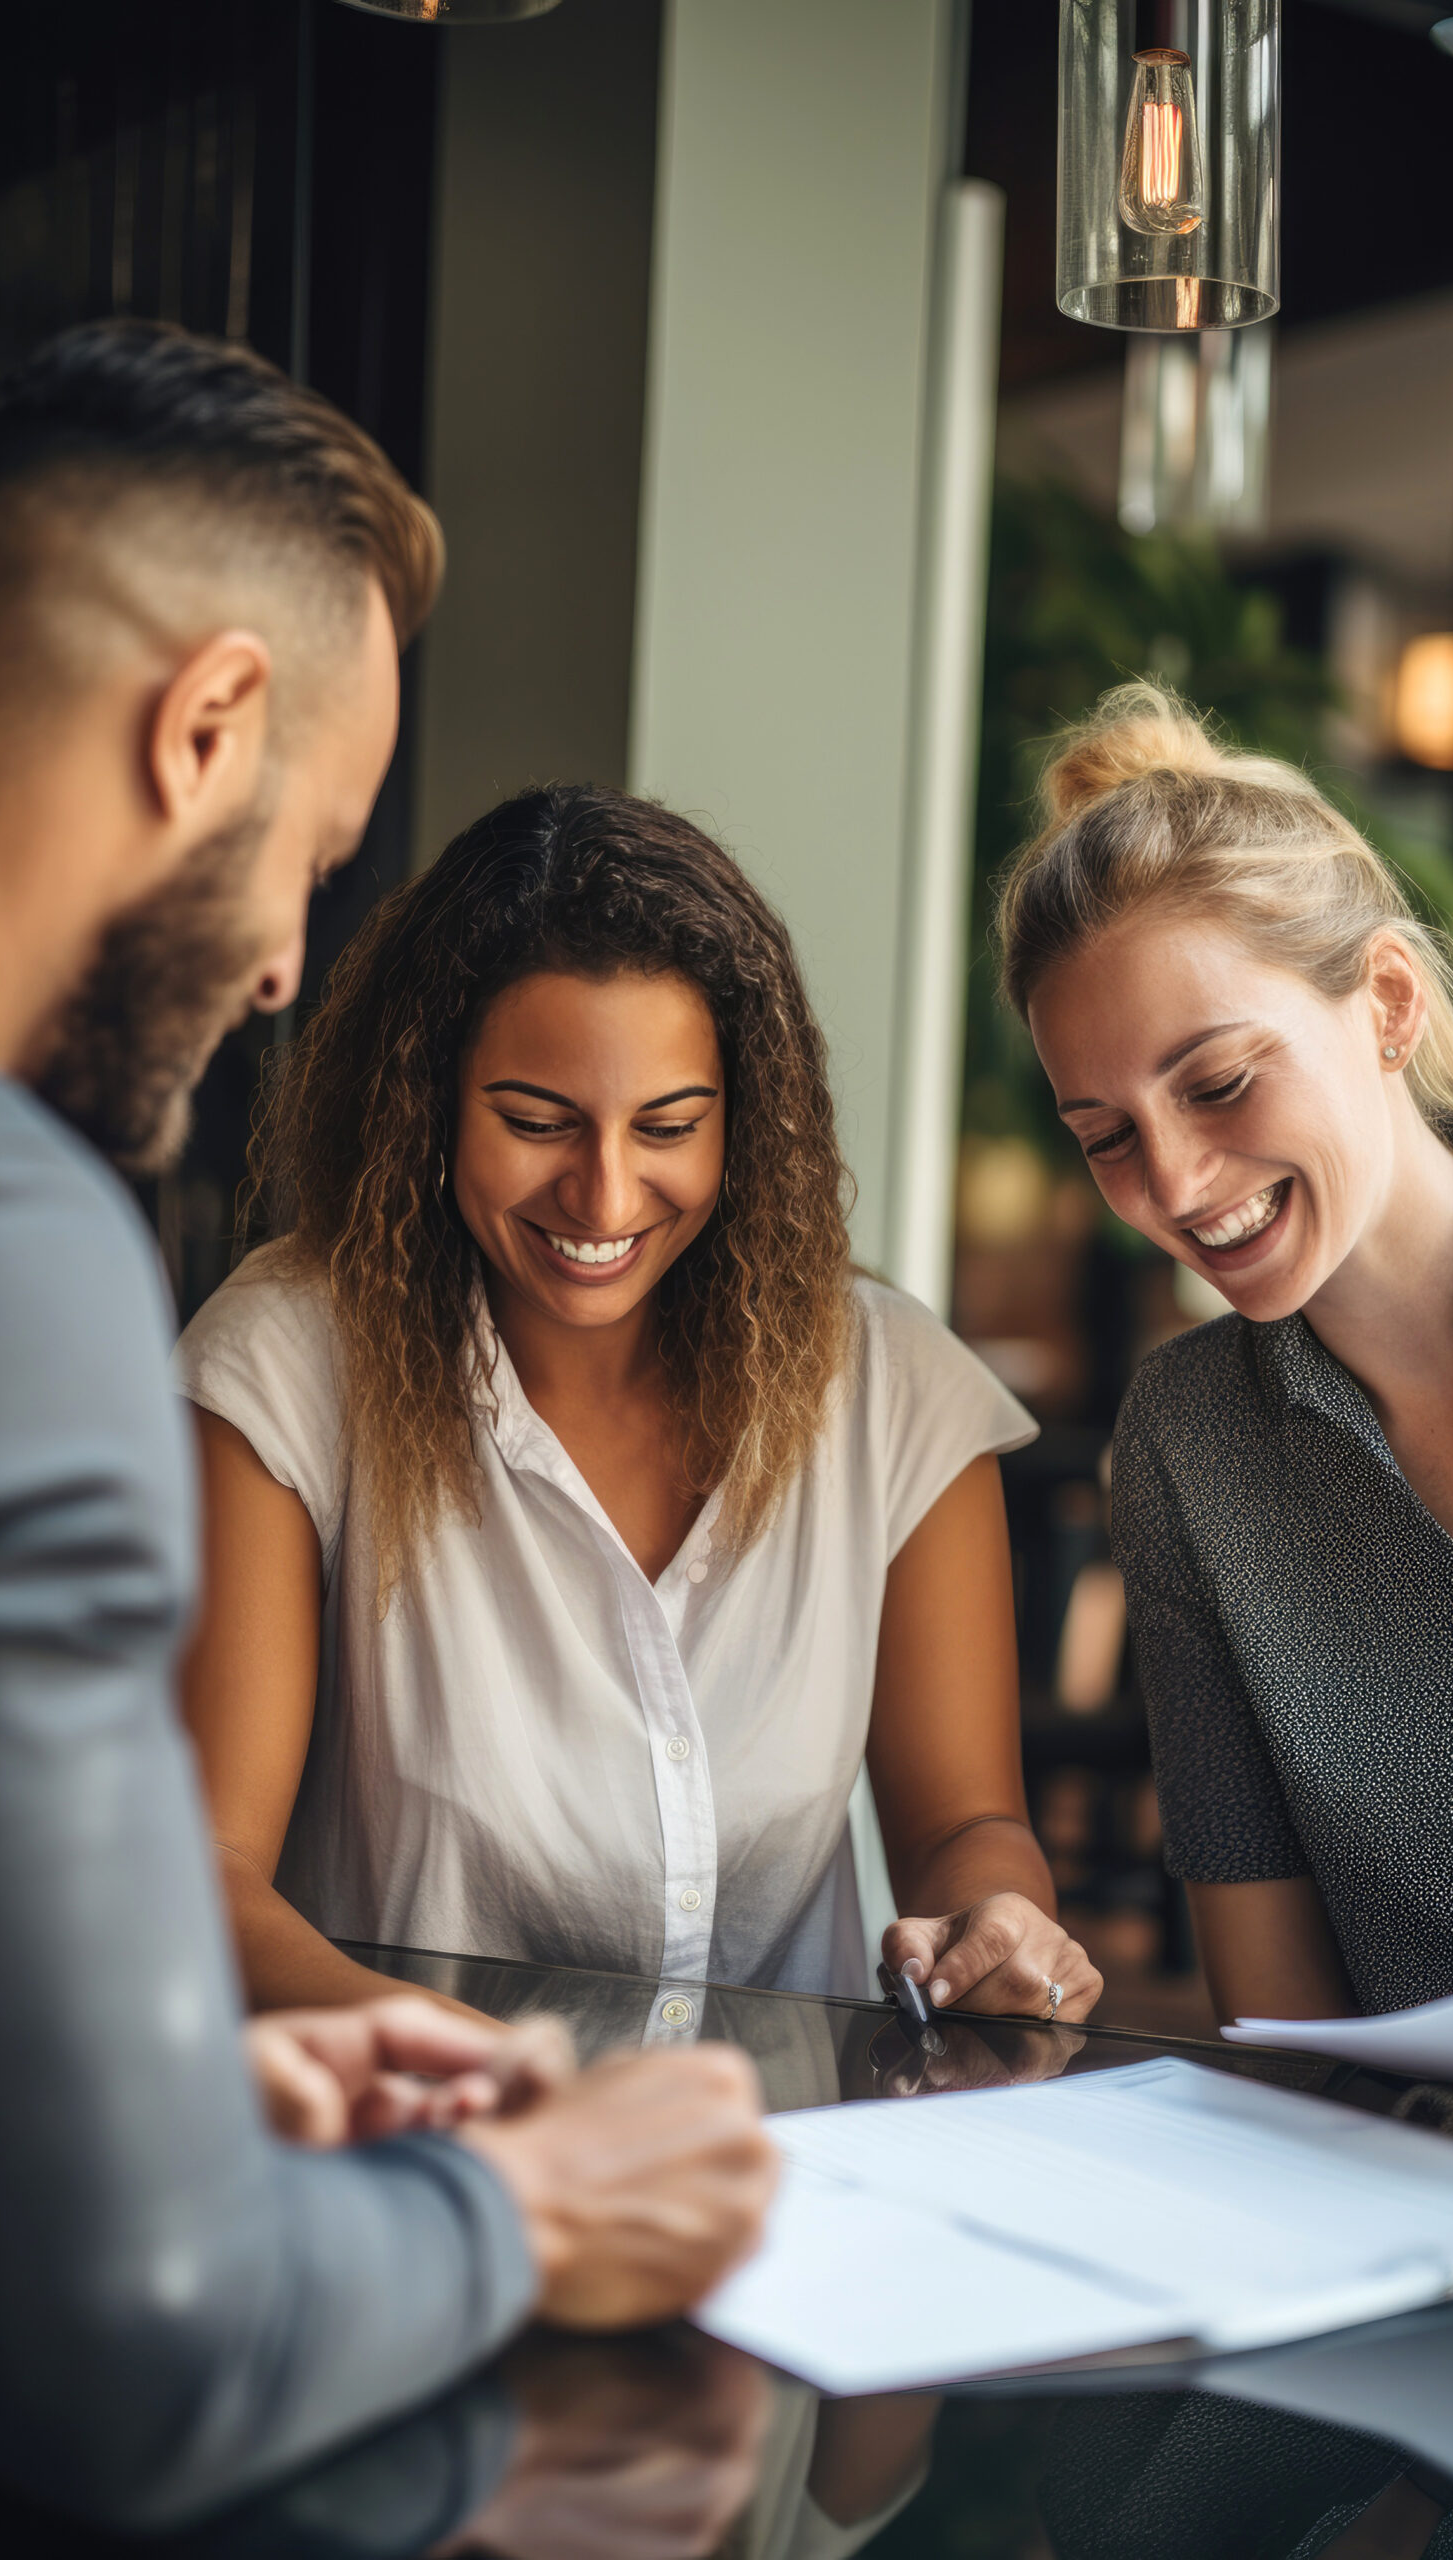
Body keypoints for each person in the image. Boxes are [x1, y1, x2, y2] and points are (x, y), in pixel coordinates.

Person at [0, 319, 775, 2529]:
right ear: (206, 725)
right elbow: (127, 2345)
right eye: (315, 855)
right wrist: (528, 2207)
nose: (284, 963)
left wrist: (139, 2072)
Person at [173, 787, 1103, 2026]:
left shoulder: (891, 1389)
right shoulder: (290, 1369)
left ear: (746, 1120)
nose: (604, 1195)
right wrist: (452, 2061)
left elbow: (968, 1822)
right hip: (430, 2158)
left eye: (669, 1124)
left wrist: (997, 1916)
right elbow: (199, 1875)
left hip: (790, 2173)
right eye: (536, 1121)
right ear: (429, 1101)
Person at [995, 682, 1453, 2026]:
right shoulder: (1188, 1442)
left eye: (1217, 1082)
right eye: (1105, 1133)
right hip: (1409, 2192)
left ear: (1384, 1003)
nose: (1175, 1187)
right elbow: (1275, 2006)